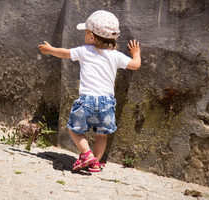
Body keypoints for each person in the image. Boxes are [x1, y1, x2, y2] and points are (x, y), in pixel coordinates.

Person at [38, 10, 141, 172]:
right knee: (102, 135)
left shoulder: (85, 50)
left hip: (87, 100)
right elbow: (135, 65)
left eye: (86, 34)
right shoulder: (116, 55)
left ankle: (87, 154)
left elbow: (64, 53)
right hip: (107, 102)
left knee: (74, 129)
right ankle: (95, 163)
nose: (84, 37)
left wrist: (51, 50)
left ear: (92, 37)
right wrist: (136, 53)